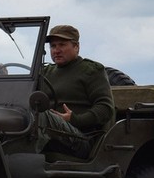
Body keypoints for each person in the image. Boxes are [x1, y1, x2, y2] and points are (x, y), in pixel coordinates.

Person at [36, 24, 115, 158]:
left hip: (80, 137)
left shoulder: (91, 70)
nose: (56, 50)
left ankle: (23, 153)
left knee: (42, 116)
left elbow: (106, 108)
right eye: (53, 46)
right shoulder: (45, 72)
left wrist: (74, 119)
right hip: (51, 133)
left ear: (76, 47)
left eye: (62, 45)